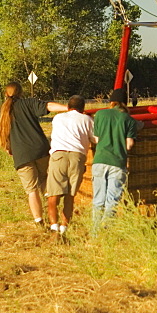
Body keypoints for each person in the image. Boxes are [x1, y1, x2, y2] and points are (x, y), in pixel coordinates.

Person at [0, 82, 66, 227]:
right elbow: (49, 106)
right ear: (21, 92)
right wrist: (70, 108)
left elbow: (3, 141)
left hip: (21, 156)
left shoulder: (2, 114)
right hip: (40, 150)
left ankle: (39, 221)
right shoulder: (28, 103)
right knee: (46, 181)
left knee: (31, 190)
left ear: (5, 94)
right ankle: (55, 215)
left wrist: (11, 149)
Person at [46, 95, 94, 241]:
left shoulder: (58, 119)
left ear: (68, 106)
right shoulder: (88, 120)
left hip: (58, 155)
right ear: (83, 108)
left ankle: (53, 227)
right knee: (70, 196)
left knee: (53, 194)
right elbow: (95, 139)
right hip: (77, 157)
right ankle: (64, 228)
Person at [91, 88, 138, 226]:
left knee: (98, 199)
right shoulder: (129, 120)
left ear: (111, 102)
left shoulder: (100, 114)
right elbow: (129, 144)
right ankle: (106, 230)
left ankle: (95, 231)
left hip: (99, 160)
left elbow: (97, 139)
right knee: (112, 200)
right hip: (118, 162)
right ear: (125, 102)